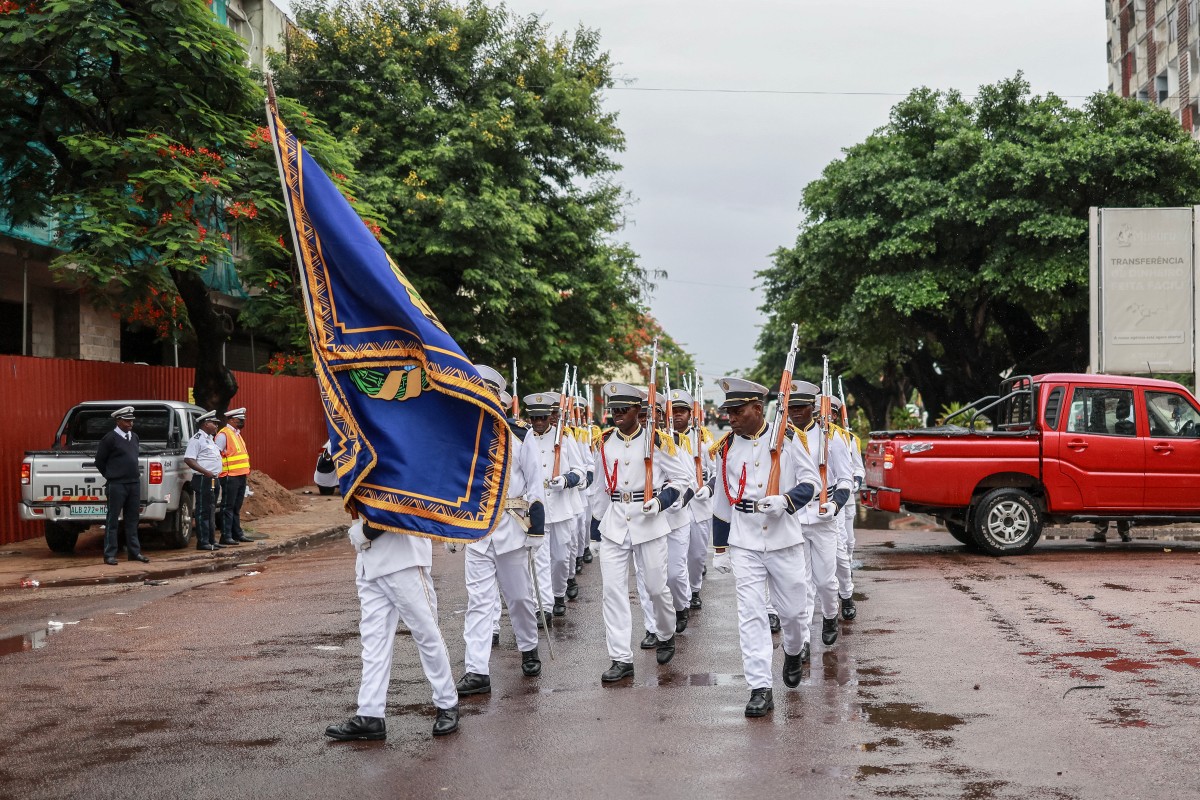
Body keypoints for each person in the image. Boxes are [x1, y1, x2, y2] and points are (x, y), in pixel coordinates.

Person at [709, 377, 821, 717]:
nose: (731, 417)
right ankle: (759, 686)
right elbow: (721, 501)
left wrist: (786, 500)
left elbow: (812, 484)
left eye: (738, 411)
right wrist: (719, 549)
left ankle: (792, 649)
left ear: (758, 409)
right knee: (750, 613)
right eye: (728, 411)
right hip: (744, 540)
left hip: (784, 539)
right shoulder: (726, 447)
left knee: (791, 612)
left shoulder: (787, 439)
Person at [451, 365, 547, 697]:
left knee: (519, 598)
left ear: (500, 400)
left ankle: (528, 647)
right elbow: (456, 484)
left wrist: (537, 528)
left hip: (512, 526)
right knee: (479, 601)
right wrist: (453, 526)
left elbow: (536, 484)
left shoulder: (521, 435)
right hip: (478, 529)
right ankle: (476, 670)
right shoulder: (462, 434)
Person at [324, 517, 460, 741]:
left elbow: (401, 500)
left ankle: (447, 703)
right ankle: (370, 714)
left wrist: (369, 531)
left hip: (402, 556)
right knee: (373, 641)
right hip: (369, 559)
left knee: (426, 633)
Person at [589, 382, 690, 682]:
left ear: (639, 410)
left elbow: (681, 479)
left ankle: (665, 631)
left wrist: (660, 502)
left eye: (624, 409)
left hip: (650, 522)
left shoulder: (658, 441)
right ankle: (621, 657)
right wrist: (597, 530)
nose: (617, 414)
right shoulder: (604, 443)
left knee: (657, 588)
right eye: (614, 409)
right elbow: (598, 490)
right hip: (615, 523)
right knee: (612, 591)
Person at [524, 391, 588, 620]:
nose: (539, 423)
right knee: (538, 559)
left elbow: (581, 472)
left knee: (561, 558)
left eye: (543, 417)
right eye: (534, 418)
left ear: (550, 416)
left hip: (561, 508)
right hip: (535, 509)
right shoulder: (524, 438)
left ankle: (559, 593)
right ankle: (543, 606)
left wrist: (566, 479)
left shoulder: (564, 438)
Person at [94, 406, 149, 565]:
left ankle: (134, 552)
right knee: (112, 520)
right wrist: (111, 475)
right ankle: (110, 554)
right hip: (117, 484)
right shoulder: (110, 438)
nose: (130, 423)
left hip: (133, 483)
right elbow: (99, 461)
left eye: (131, 420)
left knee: (133, 519)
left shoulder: (134, 437)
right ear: (118, 421)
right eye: (126, 420)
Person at [185, 410, 224, 552]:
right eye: (214, 423)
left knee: (212, 509)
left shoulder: (209, 439)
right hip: (203, 479)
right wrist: (205, 472)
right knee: (203, 510)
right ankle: (203, 542)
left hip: (213, 479)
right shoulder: (197, 439)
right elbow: (189, 459)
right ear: (206, 424)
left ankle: (211, 540)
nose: (216, 426)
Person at [215, 407, 252, 545]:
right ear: (231, 420)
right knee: (228, 507)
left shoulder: (236, 434)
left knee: (236, 507)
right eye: (239, 420)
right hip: (230, 476)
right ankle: (226, 536)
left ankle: (237, 534)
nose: (242, 422)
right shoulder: (224, 434)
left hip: (241, 475)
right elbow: (216, 455)